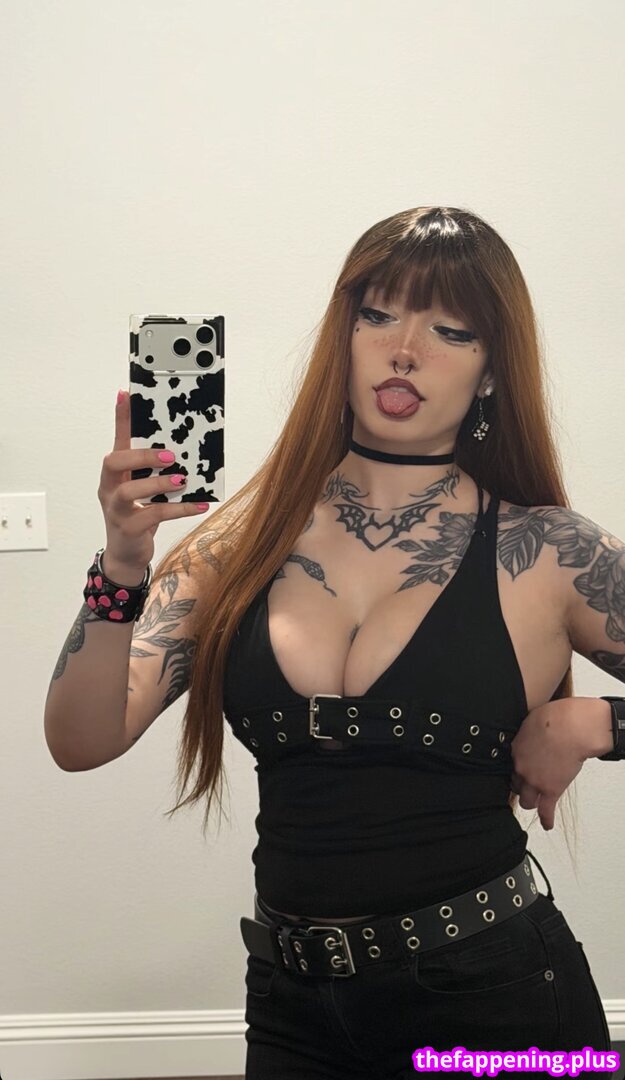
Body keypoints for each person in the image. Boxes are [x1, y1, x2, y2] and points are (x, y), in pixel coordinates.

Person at [44, 207, 624, 1079]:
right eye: (378, 315)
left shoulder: (549, 551)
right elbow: (81, 740)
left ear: (491, 371)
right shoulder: (236, 549)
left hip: (493, 998)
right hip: (292, 1008)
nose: (404, 350)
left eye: (451, 330)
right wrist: (122, 564)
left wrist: (598, 724)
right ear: (341, 340)